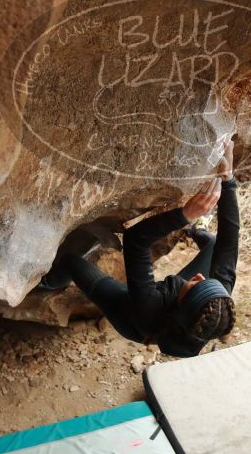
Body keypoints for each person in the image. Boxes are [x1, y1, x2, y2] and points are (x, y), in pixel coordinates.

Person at [40, 140, 239, 357]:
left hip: (129, 316)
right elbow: (229, 240)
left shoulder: (149, 307)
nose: (201, 276)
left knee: (71, 261)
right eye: (208, 282)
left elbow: (135, 241)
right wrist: (227, 179)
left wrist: (185, 215)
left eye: (196, 285)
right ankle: (197, 229)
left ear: (181, 303)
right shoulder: (218, 298)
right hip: (180, 311)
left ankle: (47, 282)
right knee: (213, 245)